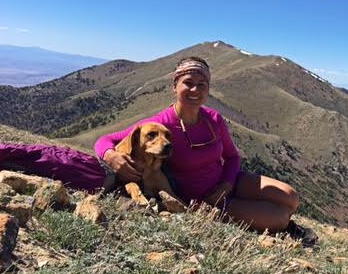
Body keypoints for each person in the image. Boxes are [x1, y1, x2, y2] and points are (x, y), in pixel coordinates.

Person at [95, 56, 317, 245]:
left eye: (202, 84)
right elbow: (105, 139)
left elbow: (231, 157)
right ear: (175, 86)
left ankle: (271, 218)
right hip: (203, 199)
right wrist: (111, 156)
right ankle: (281, 226)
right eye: (188, 83)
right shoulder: (159, 124)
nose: (195, 90)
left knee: (291, 198)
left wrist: (227, 183)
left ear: (208, 89)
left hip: (228, 182)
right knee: (279, 218)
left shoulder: (213, 119)